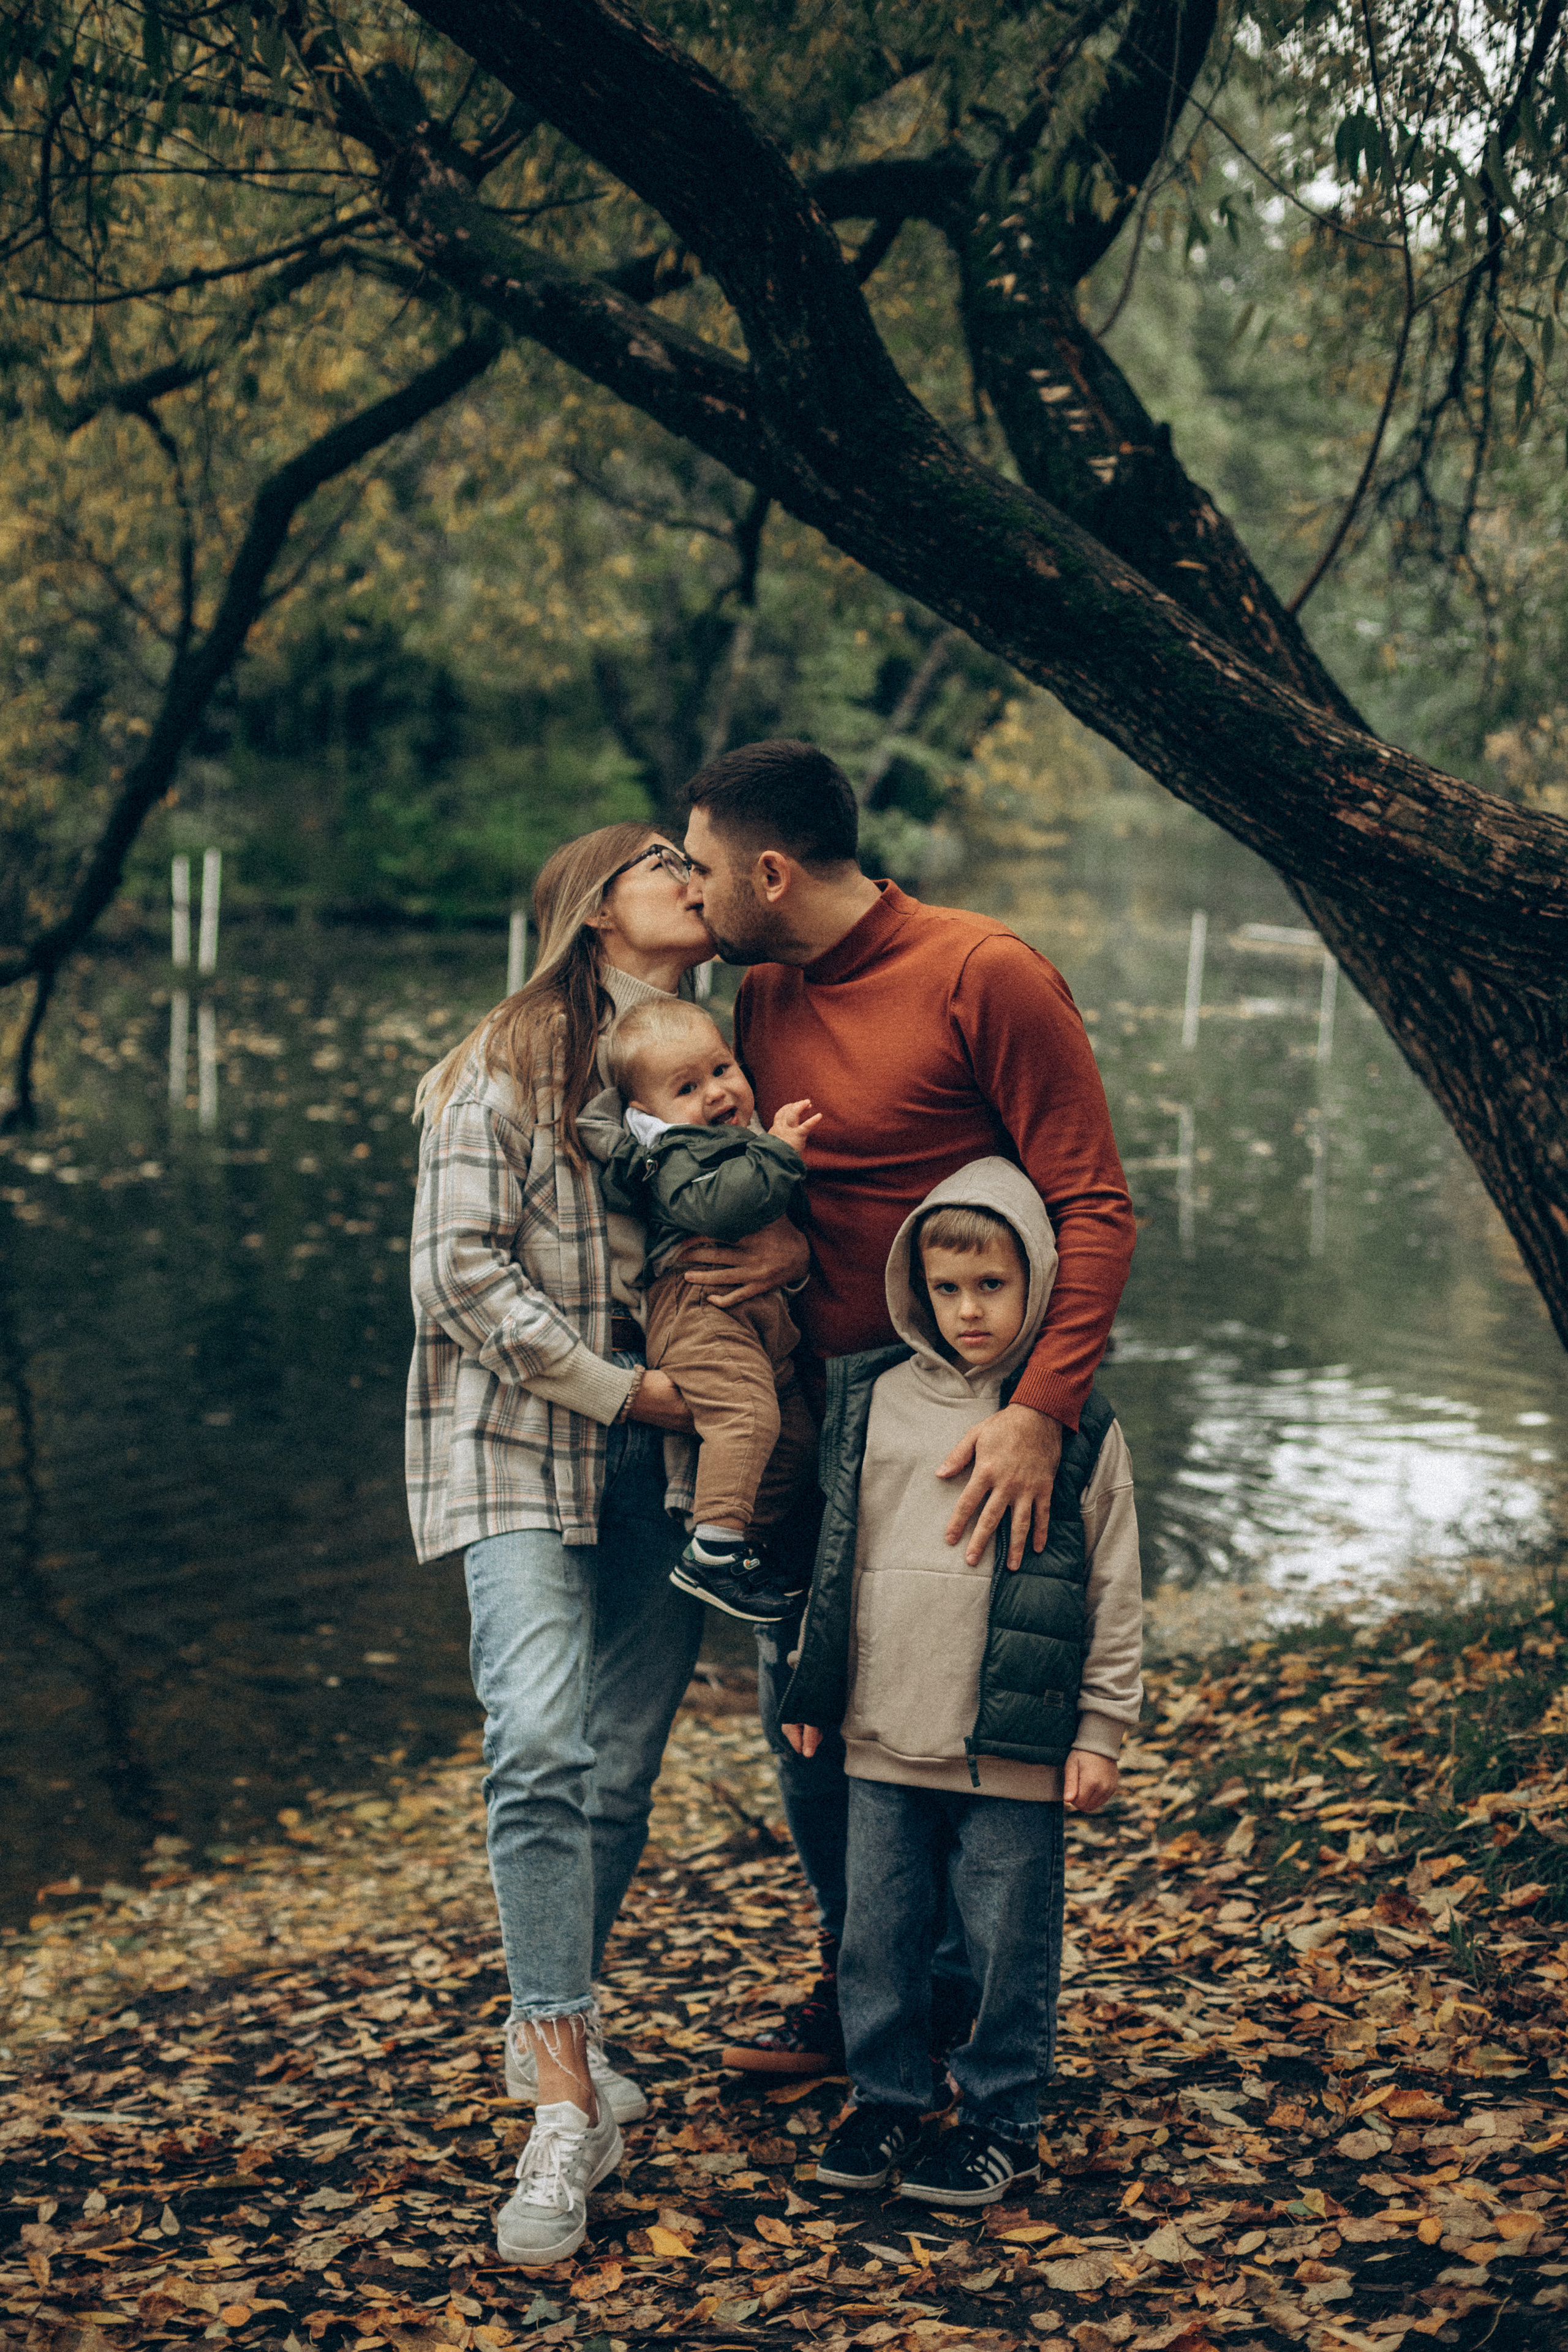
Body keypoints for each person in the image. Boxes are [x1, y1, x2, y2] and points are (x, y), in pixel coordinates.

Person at [675, 739, 1136, 2076]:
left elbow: (1092, 1206)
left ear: (770, 870)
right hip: (817, 1427)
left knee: (957, 1733)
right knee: (813, 1722)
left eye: (703, 868)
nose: (695, 893)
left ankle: (967, 2013)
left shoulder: (984, 973)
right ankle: (861, 1986)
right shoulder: (762, 990)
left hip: (962, 1432)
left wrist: (1040, 1410)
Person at [407, 823, 790, 2267]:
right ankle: (564, 2096)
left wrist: (774, 1263)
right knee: (537, 1738)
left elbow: (753, 1225)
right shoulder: (506, 1062)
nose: (695, 874)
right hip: (524, 1442)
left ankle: (552, 2011)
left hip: (669, 1464)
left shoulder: (716, 1054)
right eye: (661, 860)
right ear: (593, 908)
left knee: (618, 1768)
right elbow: (453, 1274)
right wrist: (618, 1387)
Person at [778, 1161, 1142, 2204]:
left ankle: (1001, 2116)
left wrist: (1101, 1730)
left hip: (1011, 1744)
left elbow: (1113, 1585)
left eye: (992, 1286)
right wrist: (813, 1687)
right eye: (948, 1289)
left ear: (1039, 1285)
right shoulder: (874, 1400)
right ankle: (887, 2097)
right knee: (877, 1937)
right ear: (916, 1289)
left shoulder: (1076, 1422)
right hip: (882, 1735)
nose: (970, 1310)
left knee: (1004, 1941)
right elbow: (836, 1560)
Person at [595, 997, 820, 1623]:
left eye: (722, 1070)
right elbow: (720, 1210)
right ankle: (712, 1553)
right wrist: (780, 1151)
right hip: (697, 1307)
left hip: (757, 1317)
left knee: (795, 1438)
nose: (716, 1092)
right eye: (687, 1088)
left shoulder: (731, 1139)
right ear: (648, 1116)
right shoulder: (673, 1154)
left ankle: (743, 1547)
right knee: (745, 1416)